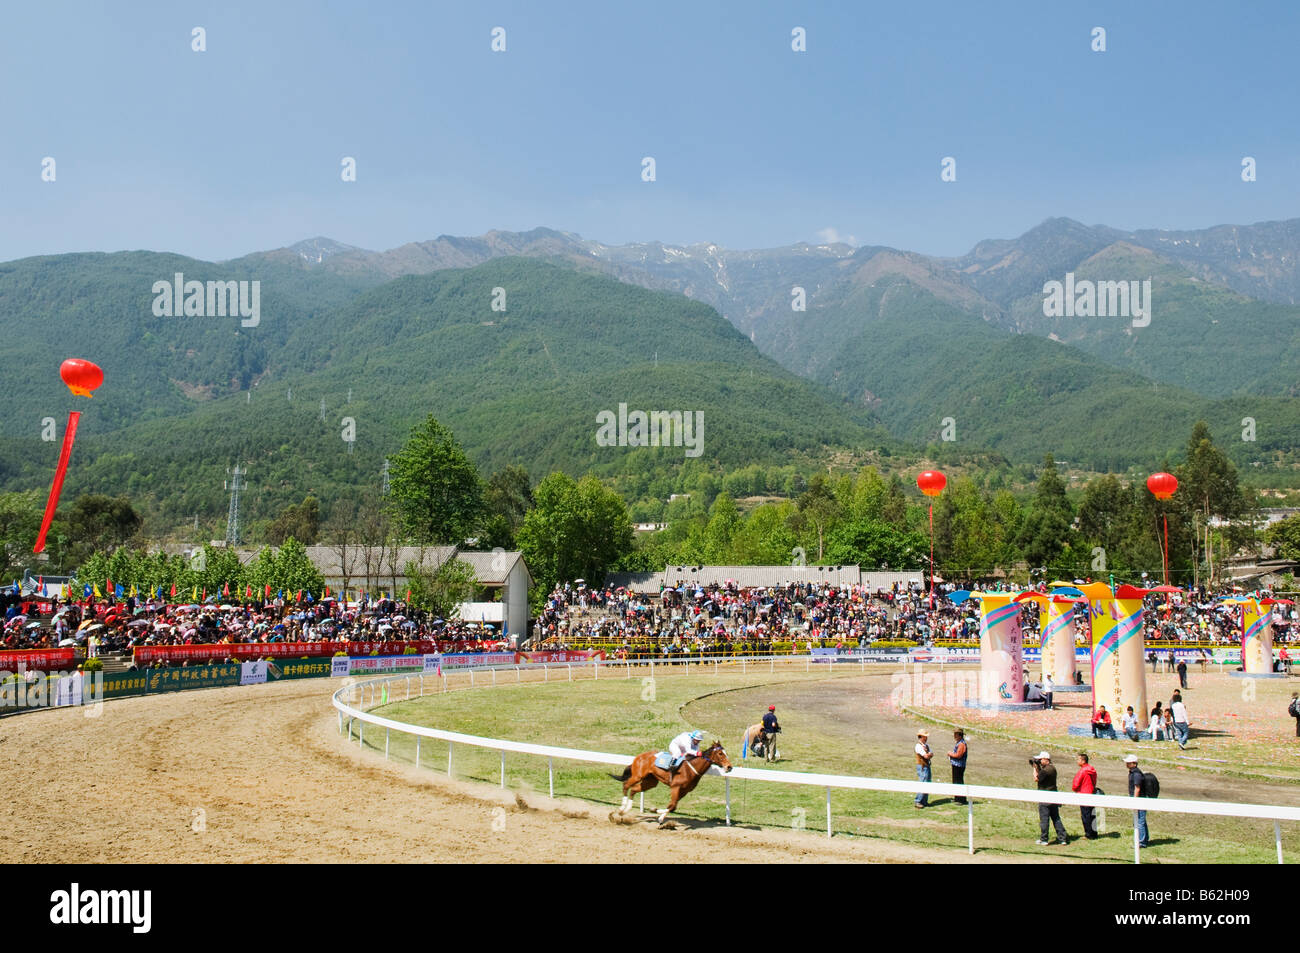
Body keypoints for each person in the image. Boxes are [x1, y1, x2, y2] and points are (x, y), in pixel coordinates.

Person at [1032, 751, 1068, 845]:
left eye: (1040, 760)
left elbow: (1037, 778)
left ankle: (1044, 839)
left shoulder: (1045, 770)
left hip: (1045, 797)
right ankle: (1062, 838)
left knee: (1044, 818)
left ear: (1045, 759)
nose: (1039, 761)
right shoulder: (1052, 768)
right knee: (1056, 818)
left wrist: (1035, 768)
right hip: (1053, 796)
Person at [1071, 752, 1099, 839]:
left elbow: (1075, 784)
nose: (1077, 761)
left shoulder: (1082, 771)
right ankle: (1094, 833)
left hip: (1083, 795)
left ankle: (1088, 834)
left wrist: (1075, 789)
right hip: (1091, 793)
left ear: (1083, 761)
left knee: (1085, 815)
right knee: (1092, 814)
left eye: (1078, 759)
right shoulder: (1092, 770)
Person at [1126, 754, 1151, 848]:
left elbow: (1137, 788)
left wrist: (1134, 801)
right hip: (1139, 798)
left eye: (1128, 763)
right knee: (1141, 820)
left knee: (1139, 821)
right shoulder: (1134, 772)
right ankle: (1144, 839)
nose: (1127, 764)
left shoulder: (1136, 774)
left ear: (1134, 763)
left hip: (1139, 799)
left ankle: (1141, 842)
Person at [914, 730, 933, 808]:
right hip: (922, 766)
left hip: (926, 765)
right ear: (921, 737)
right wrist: (929, 755)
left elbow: (931, 754)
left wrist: (929, 755)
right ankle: (918, 801)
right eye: (925, 736)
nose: (926, 738)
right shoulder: (918, 746)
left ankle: (924, 801)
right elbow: (926, 756)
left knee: (927, 782)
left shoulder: (926, 746)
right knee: (923, 782)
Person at [949, 729, 968, 804]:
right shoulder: (959, 743)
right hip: (956, 765)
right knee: (956, 781)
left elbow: (958, 755)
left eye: (955, 734)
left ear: (959, 735)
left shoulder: (961, 744)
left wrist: (950, 754)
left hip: (959, 766)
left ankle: (961, 799)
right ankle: (957, 798)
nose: (954, 736)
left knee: (958, 781)